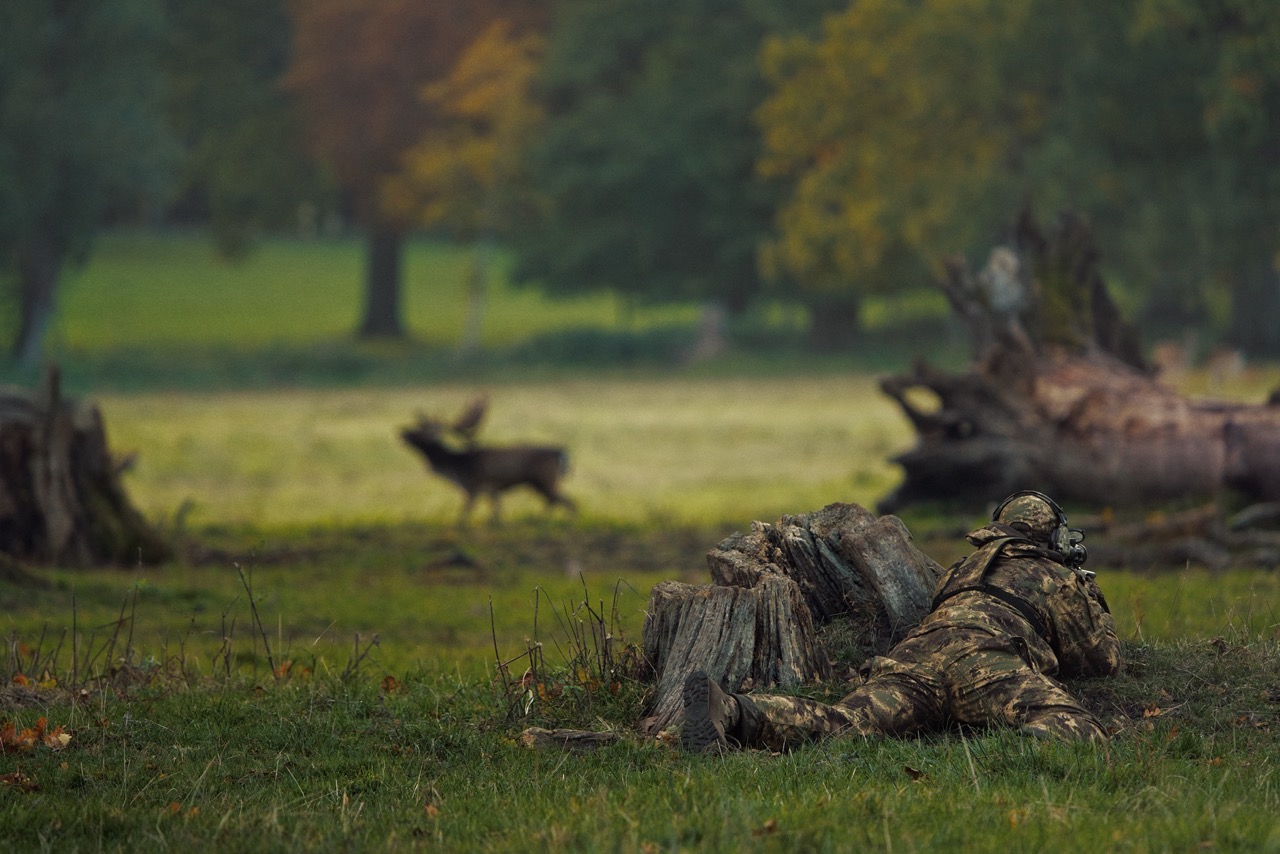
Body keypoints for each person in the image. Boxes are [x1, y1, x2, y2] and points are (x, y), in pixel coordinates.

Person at [682, 490, 1120, 753]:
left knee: (846, 721)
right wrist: (1092, 599)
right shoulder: (1053, 576)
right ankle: (1011, 754)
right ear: (1050, 537)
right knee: (1073, 723)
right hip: (988, 663)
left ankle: (735, 710)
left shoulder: (963, 568)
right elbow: (1099, 661)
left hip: (917, 655)